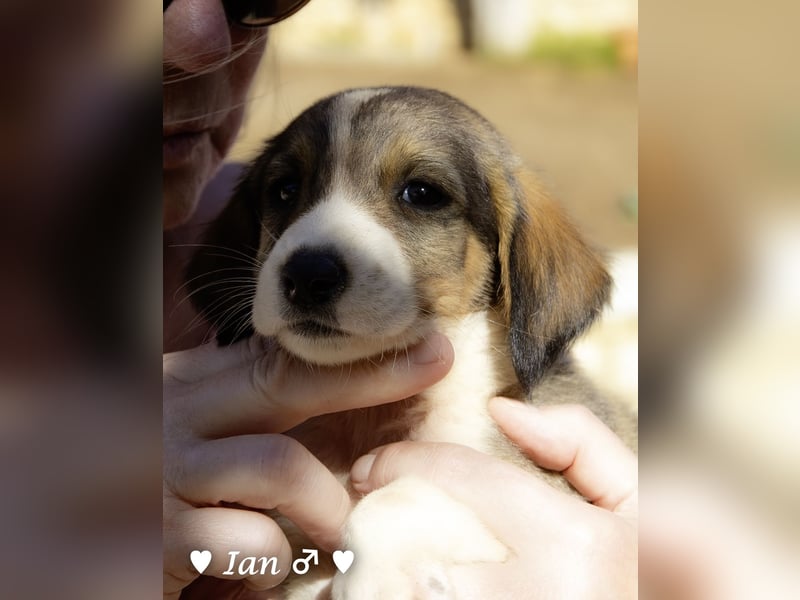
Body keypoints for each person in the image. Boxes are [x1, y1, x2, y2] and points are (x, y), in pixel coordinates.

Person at [162, 1, 637, 598]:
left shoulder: (551, 441)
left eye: (420, 194)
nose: (313, 254)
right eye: (288, 190)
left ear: (504, 256)